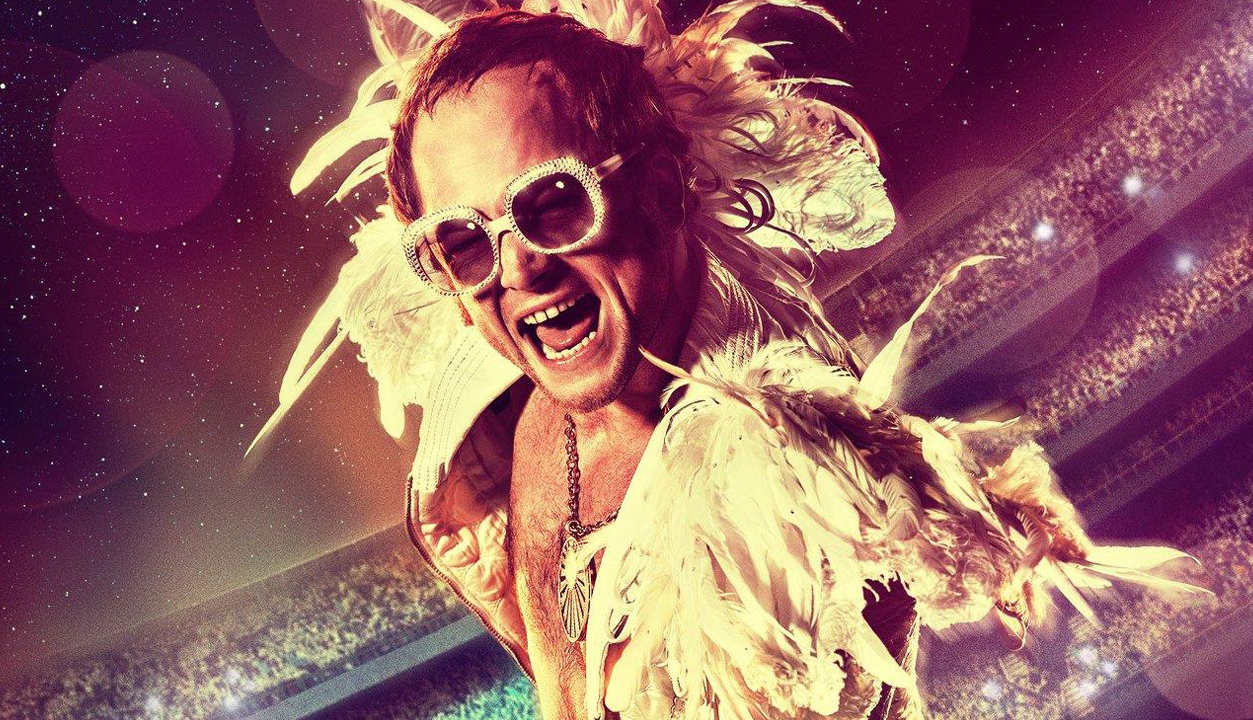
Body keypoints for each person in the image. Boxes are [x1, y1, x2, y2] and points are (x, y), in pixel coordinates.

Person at [249, 2, 1206, 719]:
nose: (520, 267)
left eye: (554, 201)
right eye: (463, 242)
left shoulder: (772, 495)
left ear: (667, 185)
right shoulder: (525, 415)